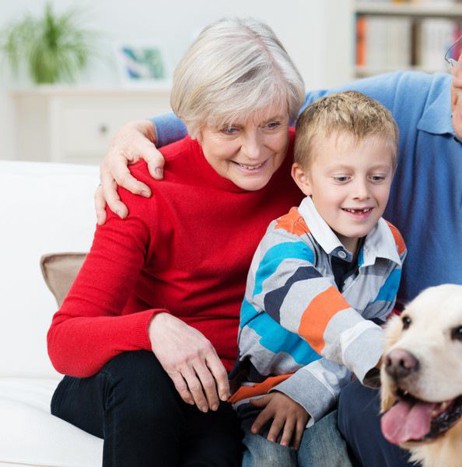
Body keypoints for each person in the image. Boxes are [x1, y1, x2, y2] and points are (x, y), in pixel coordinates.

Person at [95, 0, 462, 464]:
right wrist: (146, 129)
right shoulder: (407, 101)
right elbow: (283, 116)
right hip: (389, 353)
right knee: (371, 402)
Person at [47, 17, 326, 466]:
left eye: (271, 125)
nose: (255, 152)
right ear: (192, 124)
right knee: (146, 381)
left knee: (213, 439)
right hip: (125, 377)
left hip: (215, 391)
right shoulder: (146, 187)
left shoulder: (309, 170)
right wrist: (154, 326)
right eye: (230, 129)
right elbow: (64, 339)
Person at [231, 90, 406, 465]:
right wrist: (380, 351)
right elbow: (317, 308)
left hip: (331, 393)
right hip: (261, 394)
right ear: (304, 179)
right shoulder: (283, 244)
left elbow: (375, 322)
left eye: (377, 177)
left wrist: (311, 391)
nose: (361, 193)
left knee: (330, 459)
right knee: (269, 460)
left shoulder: (392, 246)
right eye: (342, 177)